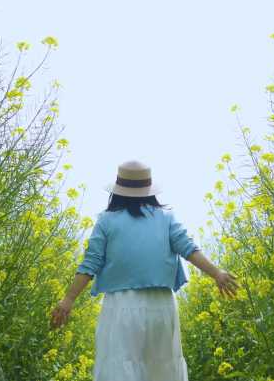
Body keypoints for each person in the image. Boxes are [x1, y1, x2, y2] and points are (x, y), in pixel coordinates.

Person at [49, 160, 240, 381]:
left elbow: (90, 264)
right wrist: (217, 273)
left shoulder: (106, 221)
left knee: (120, 368)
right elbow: (188, 248)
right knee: (162, 369)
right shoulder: (166, 218)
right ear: (149, 190)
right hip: (161, 306)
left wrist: (68, 299)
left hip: (121, 306)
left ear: (117, 191)